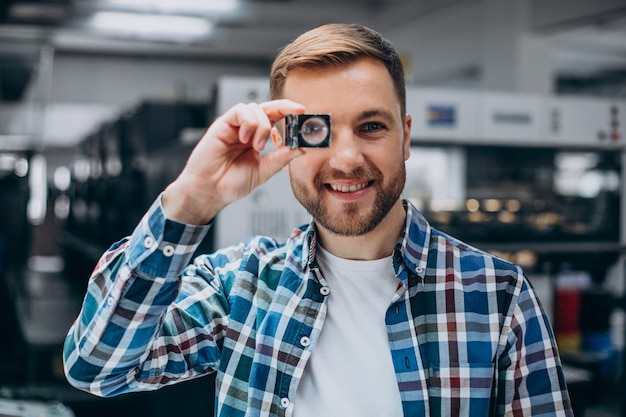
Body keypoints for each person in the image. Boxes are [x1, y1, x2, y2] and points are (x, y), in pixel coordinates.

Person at [63, 23, 573, 417]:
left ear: (407, 137)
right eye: (317, 130)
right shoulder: (240, 286)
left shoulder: (498, 295)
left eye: (371, 126)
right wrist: (189, 202)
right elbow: (96, 368)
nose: (347, 158)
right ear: (287, 139)